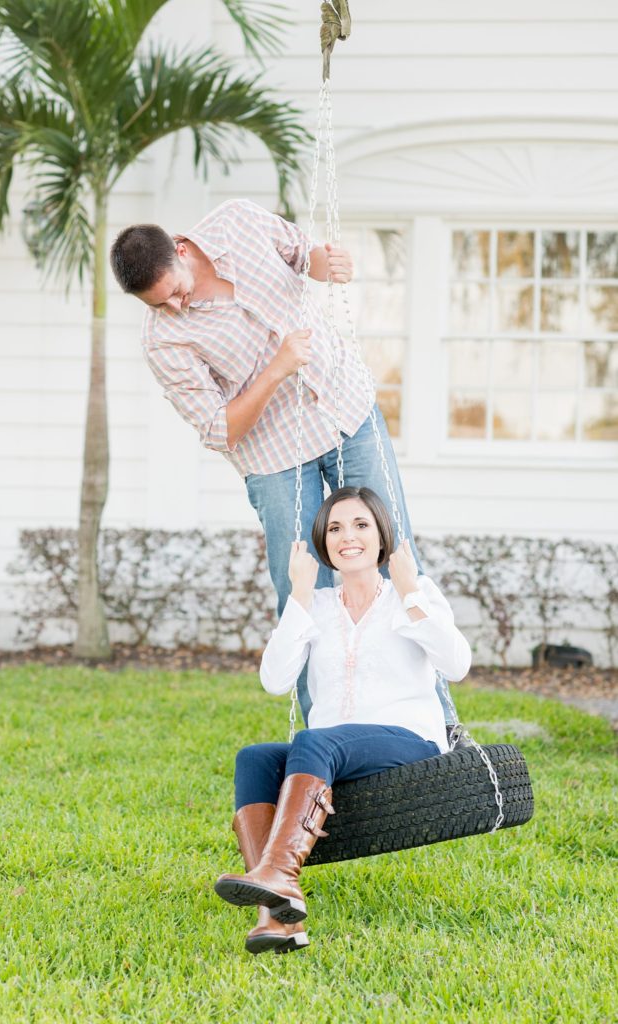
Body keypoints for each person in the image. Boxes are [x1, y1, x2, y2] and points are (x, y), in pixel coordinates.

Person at [109, 198, 462, 732]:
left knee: (395, 559)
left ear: (182, 250)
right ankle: (319, 737)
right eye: (160, 305)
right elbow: (218, 429)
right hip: (275, 458)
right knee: (303, 586)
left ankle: (439, 725)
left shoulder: (237, 222)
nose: (175, 308)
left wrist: (330, 263)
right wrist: (276, 369)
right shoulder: (163, 341)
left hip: (346, 409)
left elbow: (306, 258)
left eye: (176, 292)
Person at [214, 487, 472, 955]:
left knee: (316, 740)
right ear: (322, 542)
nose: (346, 536)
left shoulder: (411, 593)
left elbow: (456, 665)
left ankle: (278, 876)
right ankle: (277, 918)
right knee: (254, 758)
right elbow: (274, 680)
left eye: (360, 525)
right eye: (335, 528)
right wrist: (298, 595)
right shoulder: (318, 605)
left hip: (409, 741)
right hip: (333, 752)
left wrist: (411, 590)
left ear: (381, 537)